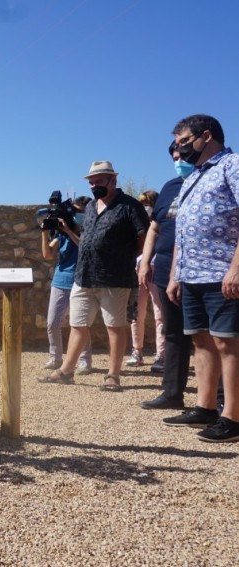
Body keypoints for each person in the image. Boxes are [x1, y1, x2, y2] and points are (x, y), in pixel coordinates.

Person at [40, 161, 149, 391]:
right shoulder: (90, 208)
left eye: (99, 180)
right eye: (91, 182)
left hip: (114, 277)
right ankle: (67, 371)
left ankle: (113, 375)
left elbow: (144, 238)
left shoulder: (129, 206)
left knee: (114, 326)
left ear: (113, 180)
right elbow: (86, 238)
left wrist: (125, 257)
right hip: (84, 276)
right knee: (78, 324)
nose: (94, 185)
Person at [163, 114, 239, 442]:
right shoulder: (194, 176)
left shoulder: (232, 165)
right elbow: (182, 229)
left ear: (205, 136)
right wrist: (175, 276)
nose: (178, 149)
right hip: (191, 274)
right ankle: (205, 407)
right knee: (200, 339)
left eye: (182, 142)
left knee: (227, 342)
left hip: (222, 272)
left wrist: (236, 268)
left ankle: (233, 416)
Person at [138, 145, 193, 410]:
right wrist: (145, 262)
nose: (179, 161)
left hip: (198, 271)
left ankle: (220, 400)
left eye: (182, 156)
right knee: (173, 333)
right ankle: (172, 393)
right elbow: (154, 227)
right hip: (163, 271)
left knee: (211, 338)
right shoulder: (170, 187)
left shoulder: (209, 181)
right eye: (174, 158)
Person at [40, 195, 93, 374]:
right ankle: (55, 357)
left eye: (79, 211)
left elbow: (85, 246)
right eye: (74, 211)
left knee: (80, 324)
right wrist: (45, 232)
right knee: (52, 322)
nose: (76, 214)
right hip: (60, 280)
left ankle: (84, 361)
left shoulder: (89, 230)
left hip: (81, 281)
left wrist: (70, 232)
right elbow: (48, 255)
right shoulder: (61, 234)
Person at [126, 190, 165, 370]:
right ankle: (137, 352)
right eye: (142, 204)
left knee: (160, 314)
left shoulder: (163, 223)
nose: (144, 207)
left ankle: (162, 355)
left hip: (157, 269)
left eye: (148, 203)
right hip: (137, 269)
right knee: (136, 313)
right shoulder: (135, 224)